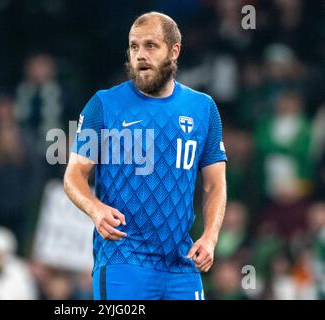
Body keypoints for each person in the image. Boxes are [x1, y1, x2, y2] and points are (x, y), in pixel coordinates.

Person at [64, 11, 227, 300]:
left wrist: (210, 236)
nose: (140, 54)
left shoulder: (203, 108)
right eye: (134, 46)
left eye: (151, 45)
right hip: (123, 260)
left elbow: (214, 184)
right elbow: (74, 175)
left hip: (181, 264)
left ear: (174, 50)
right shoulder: (102, 105)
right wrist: (95, 208)